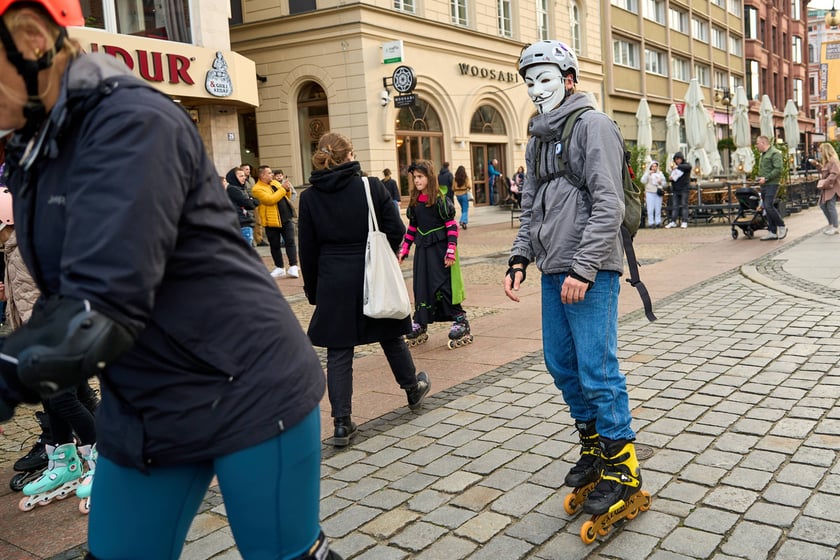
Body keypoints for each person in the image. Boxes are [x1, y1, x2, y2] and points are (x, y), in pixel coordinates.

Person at [0, 2, 339, 558]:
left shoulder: (130, 121)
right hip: (146, 400)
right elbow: (67, 286)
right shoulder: (34, 149)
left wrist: (12, 369)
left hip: (245, 382)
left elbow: (107, 297)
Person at [505, 40, 644, 524]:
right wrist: (520, 257)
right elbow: (531, 204)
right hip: (551, 267)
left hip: (591, 269)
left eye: (545, 78)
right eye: (529, 81)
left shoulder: (594, 125)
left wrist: (584, 268)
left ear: (568, 79)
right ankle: (593, 450)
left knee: (596, 369)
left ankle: (622, 468)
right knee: (561, 364)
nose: (536, 89)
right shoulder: (538, 137)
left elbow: (607, 204)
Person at [298, 132, 431, 447]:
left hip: (332, 279)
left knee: (339, 349)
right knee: (389, 334)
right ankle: (412, 389)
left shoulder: (309, 197)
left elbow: (307, 250)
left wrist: (315, 291)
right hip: (371, 273)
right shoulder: (371, 187)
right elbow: (396, 231)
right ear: (349, 155)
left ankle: (342, 423)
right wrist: (385, 258)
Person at [398, 160, 471, 349]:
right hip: (423, 251)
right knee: (422, 285)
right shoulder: (415, 203)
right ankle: (421, 322)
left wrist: (451, 250)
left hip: (440, 250)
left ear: (429, 178)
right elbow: (412, 228)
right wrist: (404, 249)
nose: (417, 181)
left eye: (420, 177)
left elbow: (451, 226)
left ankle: (460, 319)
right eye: (414, 178)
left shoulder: (440, 200)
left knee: (443, 285)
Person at [252, 165, 300, 278]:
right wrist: (283, 189)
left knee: (290, 241)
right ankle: (279, 267)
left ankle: (293, 266)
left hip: (286, 217)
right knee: (275, 245)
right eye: (269, 173)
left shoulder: (275, 183)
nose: (272, 175)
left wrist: (287, 189)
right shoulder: (257, 188)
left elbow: (285, 196)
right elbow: (270, 200)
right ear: (262, 175)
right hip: (271, 221)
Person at [755, 135, 787, 241]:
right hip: (764, 184)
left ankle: (782, 226)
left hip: (772, 184)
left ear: (763, 143)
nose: (756, 146)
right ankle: (772, 232)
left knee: (768, 206)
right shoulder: (763, 154)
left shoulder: (774, 153)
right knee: (766, 207)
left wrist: (766, 178)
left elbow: (778, 169)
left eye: (757, 143)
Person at [226, 166, 260, 246]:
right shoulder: (233, 189)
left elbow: (257, 201)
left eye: (244, 176)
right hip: (241, 224)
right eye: (241, 176)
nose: (244, 178)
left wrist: (251, 201)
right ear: (233, 177)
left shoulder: (242, 189)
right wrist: (251, 201)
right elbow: (248, 204)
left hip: (246, 223)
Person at [816, 142, 840, 235]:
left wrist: (826, 181)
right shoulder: (827, 162)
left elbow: (835, 173)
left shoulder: (833, 161)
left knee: (830, 206)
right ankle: (831, 224)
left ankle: (835, 226)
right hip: (827, 187)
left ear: (825, 151)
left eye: (821, 150)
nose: (820, 152)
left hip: (832, 187)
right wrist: (817, 165)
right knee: (823, 205)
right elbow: (825, 172)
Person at [665, 152, 692, 229]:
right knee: (675, 206)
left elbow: (688, 167)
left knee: (684, 205)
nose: (678, 160)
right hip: (676, 189)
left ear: (682, 159)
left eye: (679, 159)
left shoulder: (685, 165)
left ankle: (684, 221)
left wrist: (677, 167)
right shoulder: (675, 168)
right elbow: (674, 177)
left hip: (684, 189)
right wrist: (671, 179)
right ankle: (673, 221)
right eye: (676, 159)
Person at [641, 161, 666, 228]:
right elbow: (643, 181)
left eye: (655, 166)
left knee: (658, 208)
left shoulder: (660, 173)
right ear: (650, 167)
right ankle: (651, 222)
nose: (654, 168)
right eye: (653, 166)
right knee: (650, 208)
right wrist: (647, 174)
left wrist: (661, 182)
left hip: (658, 192)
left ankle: (658, 222)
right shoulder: (648, 173)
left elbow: (664, 183)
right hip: (650, 192)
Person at [452, 165, 472, 230]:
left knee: (463, 208)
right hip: (464, 194)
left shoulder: (455, 179)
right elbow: (469, 186)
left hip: (458, 196)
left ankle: (464, 223)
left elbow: (453, 188)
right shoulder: (466, 178)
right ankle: (462, 221)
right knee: (465, 209)